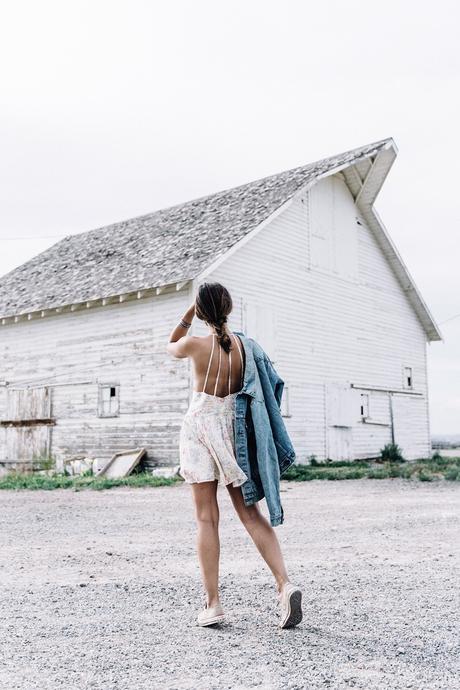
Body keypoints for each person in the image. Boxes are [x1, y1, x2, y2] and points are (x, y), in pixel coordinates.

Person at [167, 282, 302, 628]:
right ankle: (285, 584)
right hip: (234, 430)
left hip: (199, 429)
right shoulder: (245, 348)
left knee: (206, 518)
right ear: (229, 308)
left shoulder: (195, 345)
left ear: (201, 311)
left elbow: (171, 345)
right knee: (251, 514)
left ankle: (213, 605)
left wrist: (188, 314)